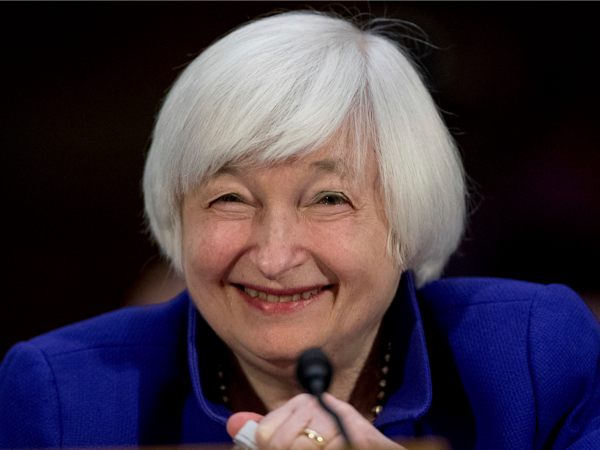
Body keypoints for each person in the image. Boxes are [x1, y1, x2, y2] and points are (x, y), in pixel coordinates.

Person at [1, 10, 599, 450]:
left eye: (329, 199)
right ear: (176, 217)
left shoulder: (535, 356)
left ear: (408, 217)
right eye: (230, 199)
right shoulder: (65, 397)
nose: (274, 255)